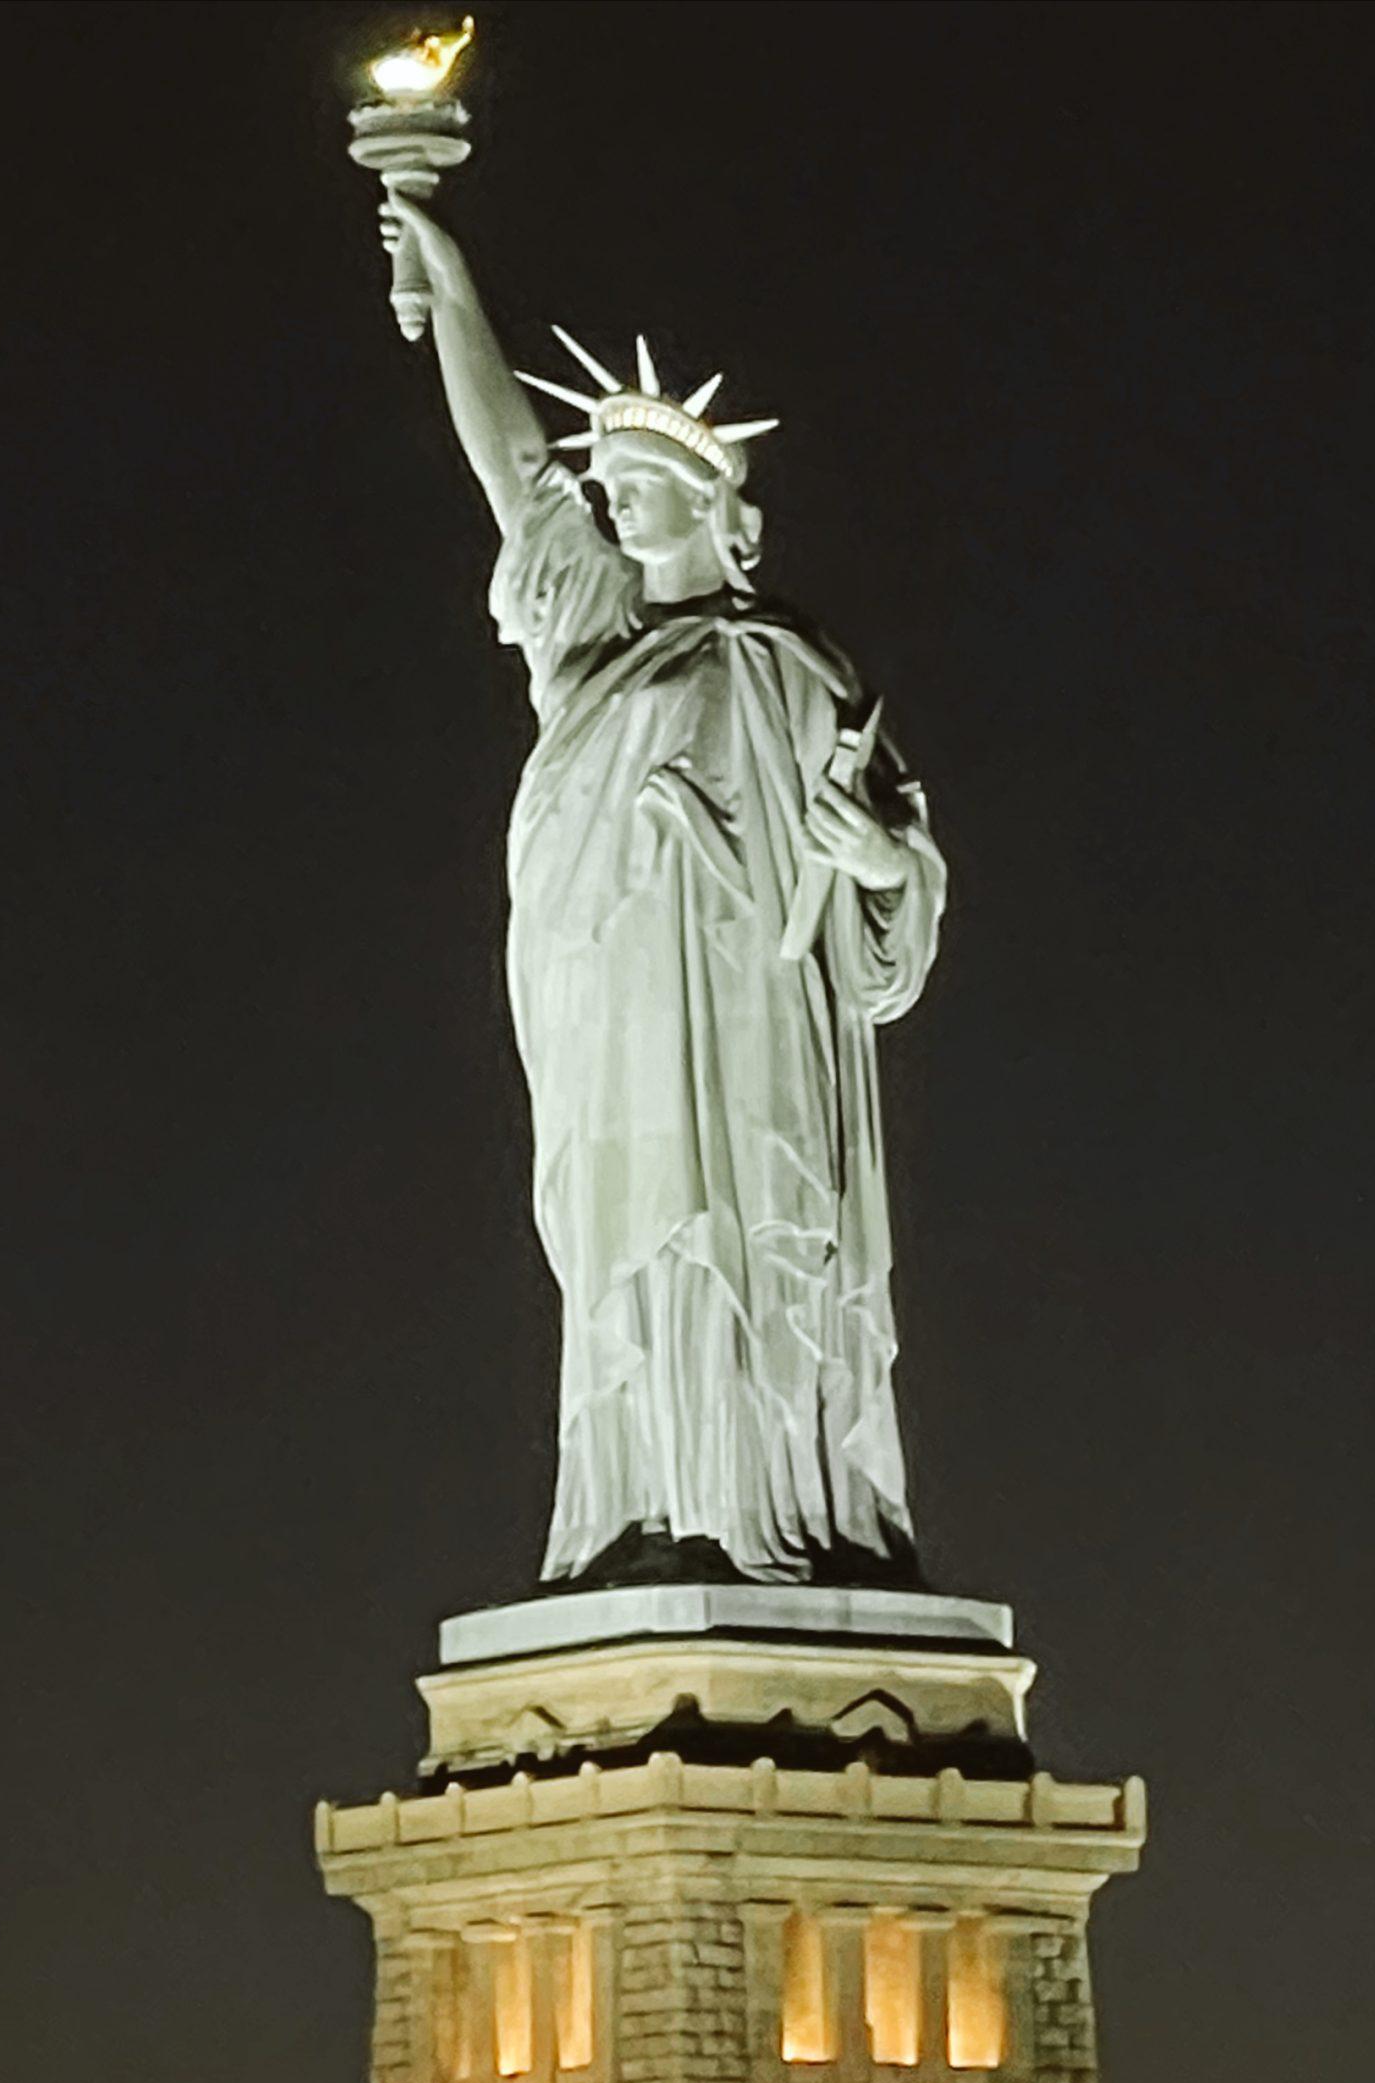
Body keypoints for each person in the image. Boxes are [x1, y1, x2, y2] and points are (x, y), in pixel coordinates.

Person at [383, 195, 947, 1589]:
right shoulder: (594, 641)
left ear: (715, 505)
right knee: (640, 1253)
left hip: (764, 1026)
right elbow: (514, 471)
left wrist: (882, 863)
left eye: (640, 485)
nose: (612, 497)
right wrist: (456, 297)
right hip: (622, 1020)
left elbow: (898, 884)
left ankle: (780, 1505)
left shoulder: (795, 664)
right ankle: (648, 1506)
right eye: (610, 487)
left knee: (760, 1247)